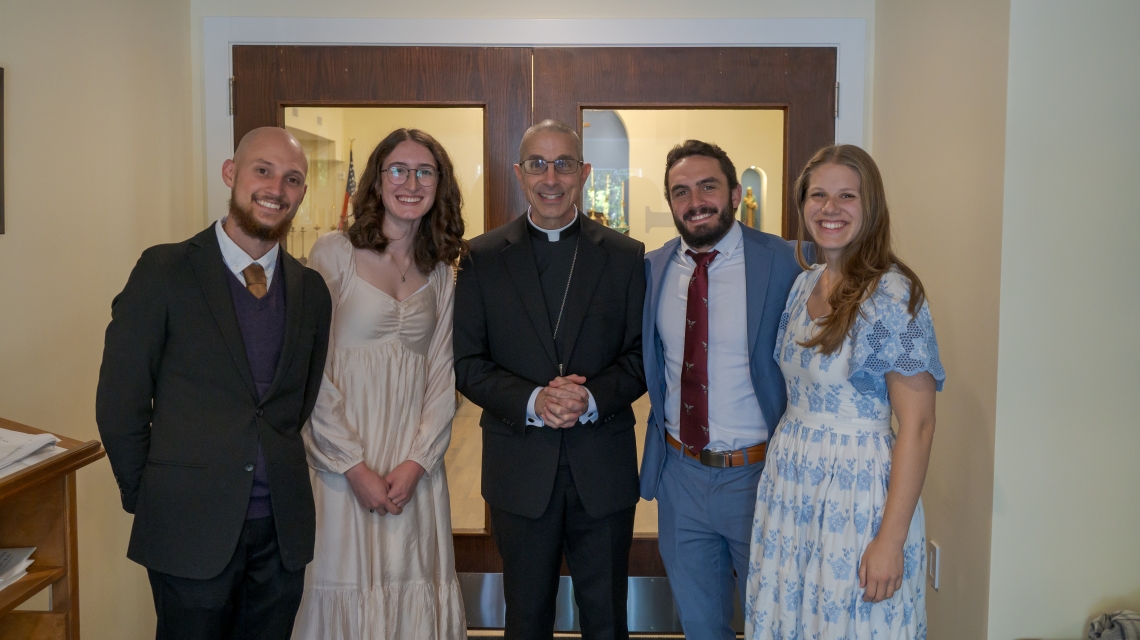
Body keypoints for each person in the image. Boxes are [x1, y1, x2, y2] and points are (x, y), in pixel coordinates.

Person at [96, 126, 332, 640]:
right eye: (262, 170)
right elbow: (120, 404)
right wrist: (153, 494)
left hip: (281, 532)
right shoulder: (164, 271)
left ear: (303, 193)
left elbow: (297, 403)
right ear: (231, 173)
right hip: (188, 526)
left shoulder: (312, 290)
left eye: (292, 179)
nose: (277, 188)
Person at [453, 119, 646, 640]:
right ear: (519, 174)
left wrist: (588, 397)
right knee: (526, 618)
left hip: (601, 468)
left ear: (584, 172)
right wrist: (534, 400)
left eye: (564, 164)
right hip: (520, 469)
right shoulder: (482, 258)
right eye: (537, 164)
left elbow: (640, 357)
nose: (551, 177)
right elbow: (467, 362)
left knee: (606, 618)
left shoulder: (625, 257)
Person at [745, 144, 945, 638]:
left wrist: (890, 540)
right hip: (792, 483)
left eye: (846, 196)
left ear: (870, 206)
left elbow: (917, 427)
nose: (829, 208)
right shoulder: (804, 285)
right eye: (818, 195)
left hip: (856, 494)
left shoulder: (894, 296)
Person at [293, 129, 468, 639]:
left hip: (412, 469)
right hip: (342, 464)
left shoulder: (439, 271)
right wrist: (351, 465)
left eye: (424, 172)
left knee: (408, 582)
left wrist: (418, 463)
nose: (410, 182)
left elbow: (442, 376)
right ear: (376, 179)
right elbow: (312, 371)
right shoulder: (333, 255)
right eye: (398, 169)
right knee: (342, 585)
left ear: (440, 184)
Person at [638, 139, 804, 640]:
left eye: (708, 186)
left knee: (773, 622)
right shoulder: (652, 267)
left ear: (734, 193)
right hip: (680, 477)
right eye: (680, 192)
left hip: (760, 477)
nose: (695, 202)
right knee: (701, 625)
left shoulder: (787, 262)